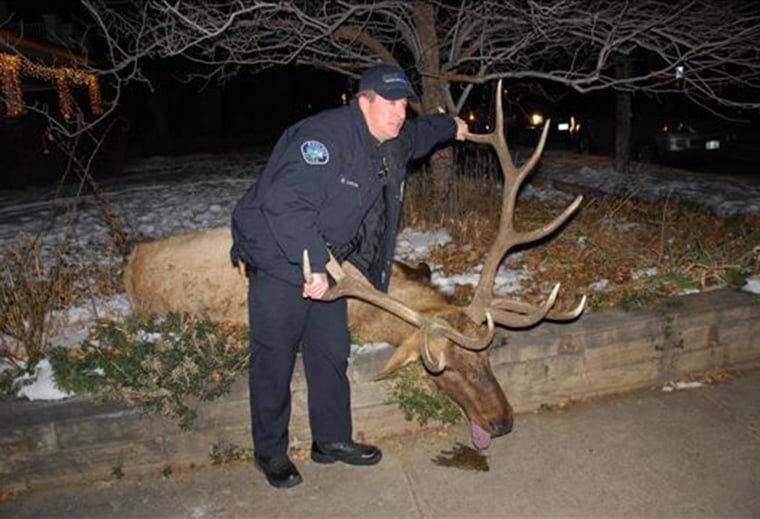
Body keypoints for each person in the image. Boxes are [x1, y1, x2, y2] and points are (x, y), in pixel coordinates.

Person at [230, 63, 467, 489]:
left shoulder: (390, 139)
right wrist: (314, 265)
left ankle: (331, 440)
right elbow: (286, 204)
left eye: (403, 105)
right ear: (364, 102)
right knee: (274, 357)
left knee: (330, 350)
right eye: (390, 104)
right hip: (279, 255)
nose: (399, 113)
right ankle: (270, 451)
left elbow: (419, 136)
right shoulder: (321, 140)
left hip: (326, 260)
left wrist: (450, 125)